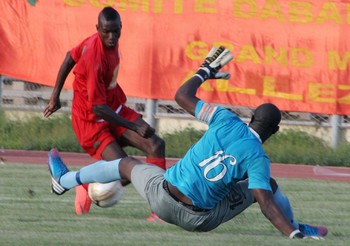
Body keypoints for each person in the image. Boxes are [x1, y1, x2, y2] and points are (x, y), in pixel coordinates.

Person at [47, 46, 328, 239]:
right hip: (199, 219)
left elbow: (182, 96)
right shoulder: (258, 160)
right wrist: (292, 234)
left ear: (252, 116)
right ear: (275, 131)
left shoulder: (225, 119)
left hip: (161, 197)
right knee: (268, 186)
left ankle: (66, 179)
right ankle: (297, 225)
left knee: (127, 164)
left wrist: (204, 71)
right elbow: (266, 205)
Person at [43, 6, 166, 221]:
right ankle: (83, 182)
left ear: (121, 28)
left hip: (113, 108)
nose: (112, 37)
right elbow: (97, 108)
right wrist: (136, 126)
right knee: (127, 171)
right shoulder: (94, 56)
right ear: (97, 28)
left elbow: (68, 57)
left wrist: (55, 96)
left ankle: (160, 210)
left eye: (116, 31)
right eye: (106, 32)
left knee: (156, 145)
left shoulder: (102, 41)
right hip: (91, 122)